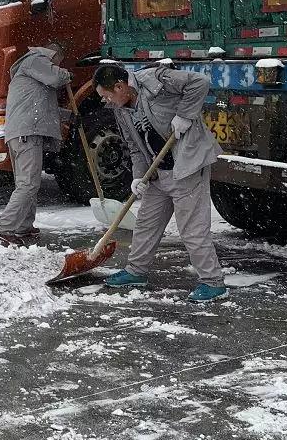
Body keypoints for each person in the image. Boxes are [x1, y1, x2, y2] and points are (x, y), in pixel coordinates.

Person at [93, 62, 227, 303]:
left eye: (107, 96)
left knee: (192, 230)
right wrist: (138, 176)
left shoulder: (155, 80)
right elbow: (134, 146)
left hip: (186, 166)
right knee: (146, 223)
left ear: (120, 86)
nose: (106, 102)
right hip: (158, 171)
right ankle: (136, 271)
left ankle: (213, 282)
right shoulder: (121, 109)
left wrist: (185, 115)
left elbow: (200, 83)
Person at [0, 44, 73, 245]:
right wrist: (67, 74)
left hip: (22, 133)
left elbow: (43, 108)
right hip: (27, 133)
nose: (57, 66)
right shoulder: (36, 60)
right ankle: (4, 227)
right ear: (54, 55)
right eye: (58, 62)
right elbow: (58, 78)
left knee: (27, 183)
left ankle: (23, 226)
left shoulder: (31, 73)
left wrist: (69, 117)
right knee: (28, 184)